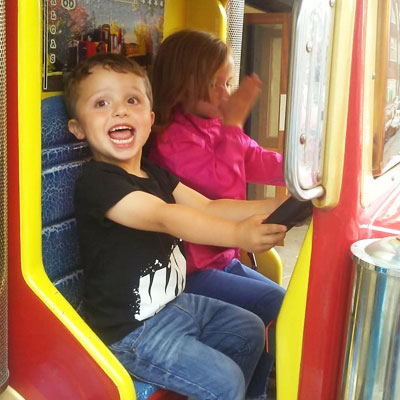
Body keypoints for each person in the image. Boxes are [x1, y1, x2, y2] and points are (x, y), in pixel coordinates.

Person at [64, 52, 287, 399]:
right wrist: (238, 235)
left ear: (149, 118)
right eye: (102, 103)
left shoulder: (154, 173)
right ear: (77, 127)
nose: (119, 110)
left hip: (174, 305)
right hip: (131, 332)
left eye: (132, 100)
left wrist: (278, 207)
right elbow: (164, 216)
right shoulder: (97, 183)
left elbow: (210, 205)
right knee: (225, 380)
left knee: (250, 329)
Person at [148, 29, 286, 385]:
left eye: (229, 83)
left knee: (282, 299)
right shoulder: (171, 141)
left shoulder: (212, 125)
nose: (226, 94)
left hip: (223, 259)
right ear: (184, 85)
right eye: (217, 85)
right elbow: (219, 194)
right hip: (191, 271)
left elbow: (254, 158)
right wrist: (233, 125)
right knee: (276, 304)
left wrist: (300, 170)